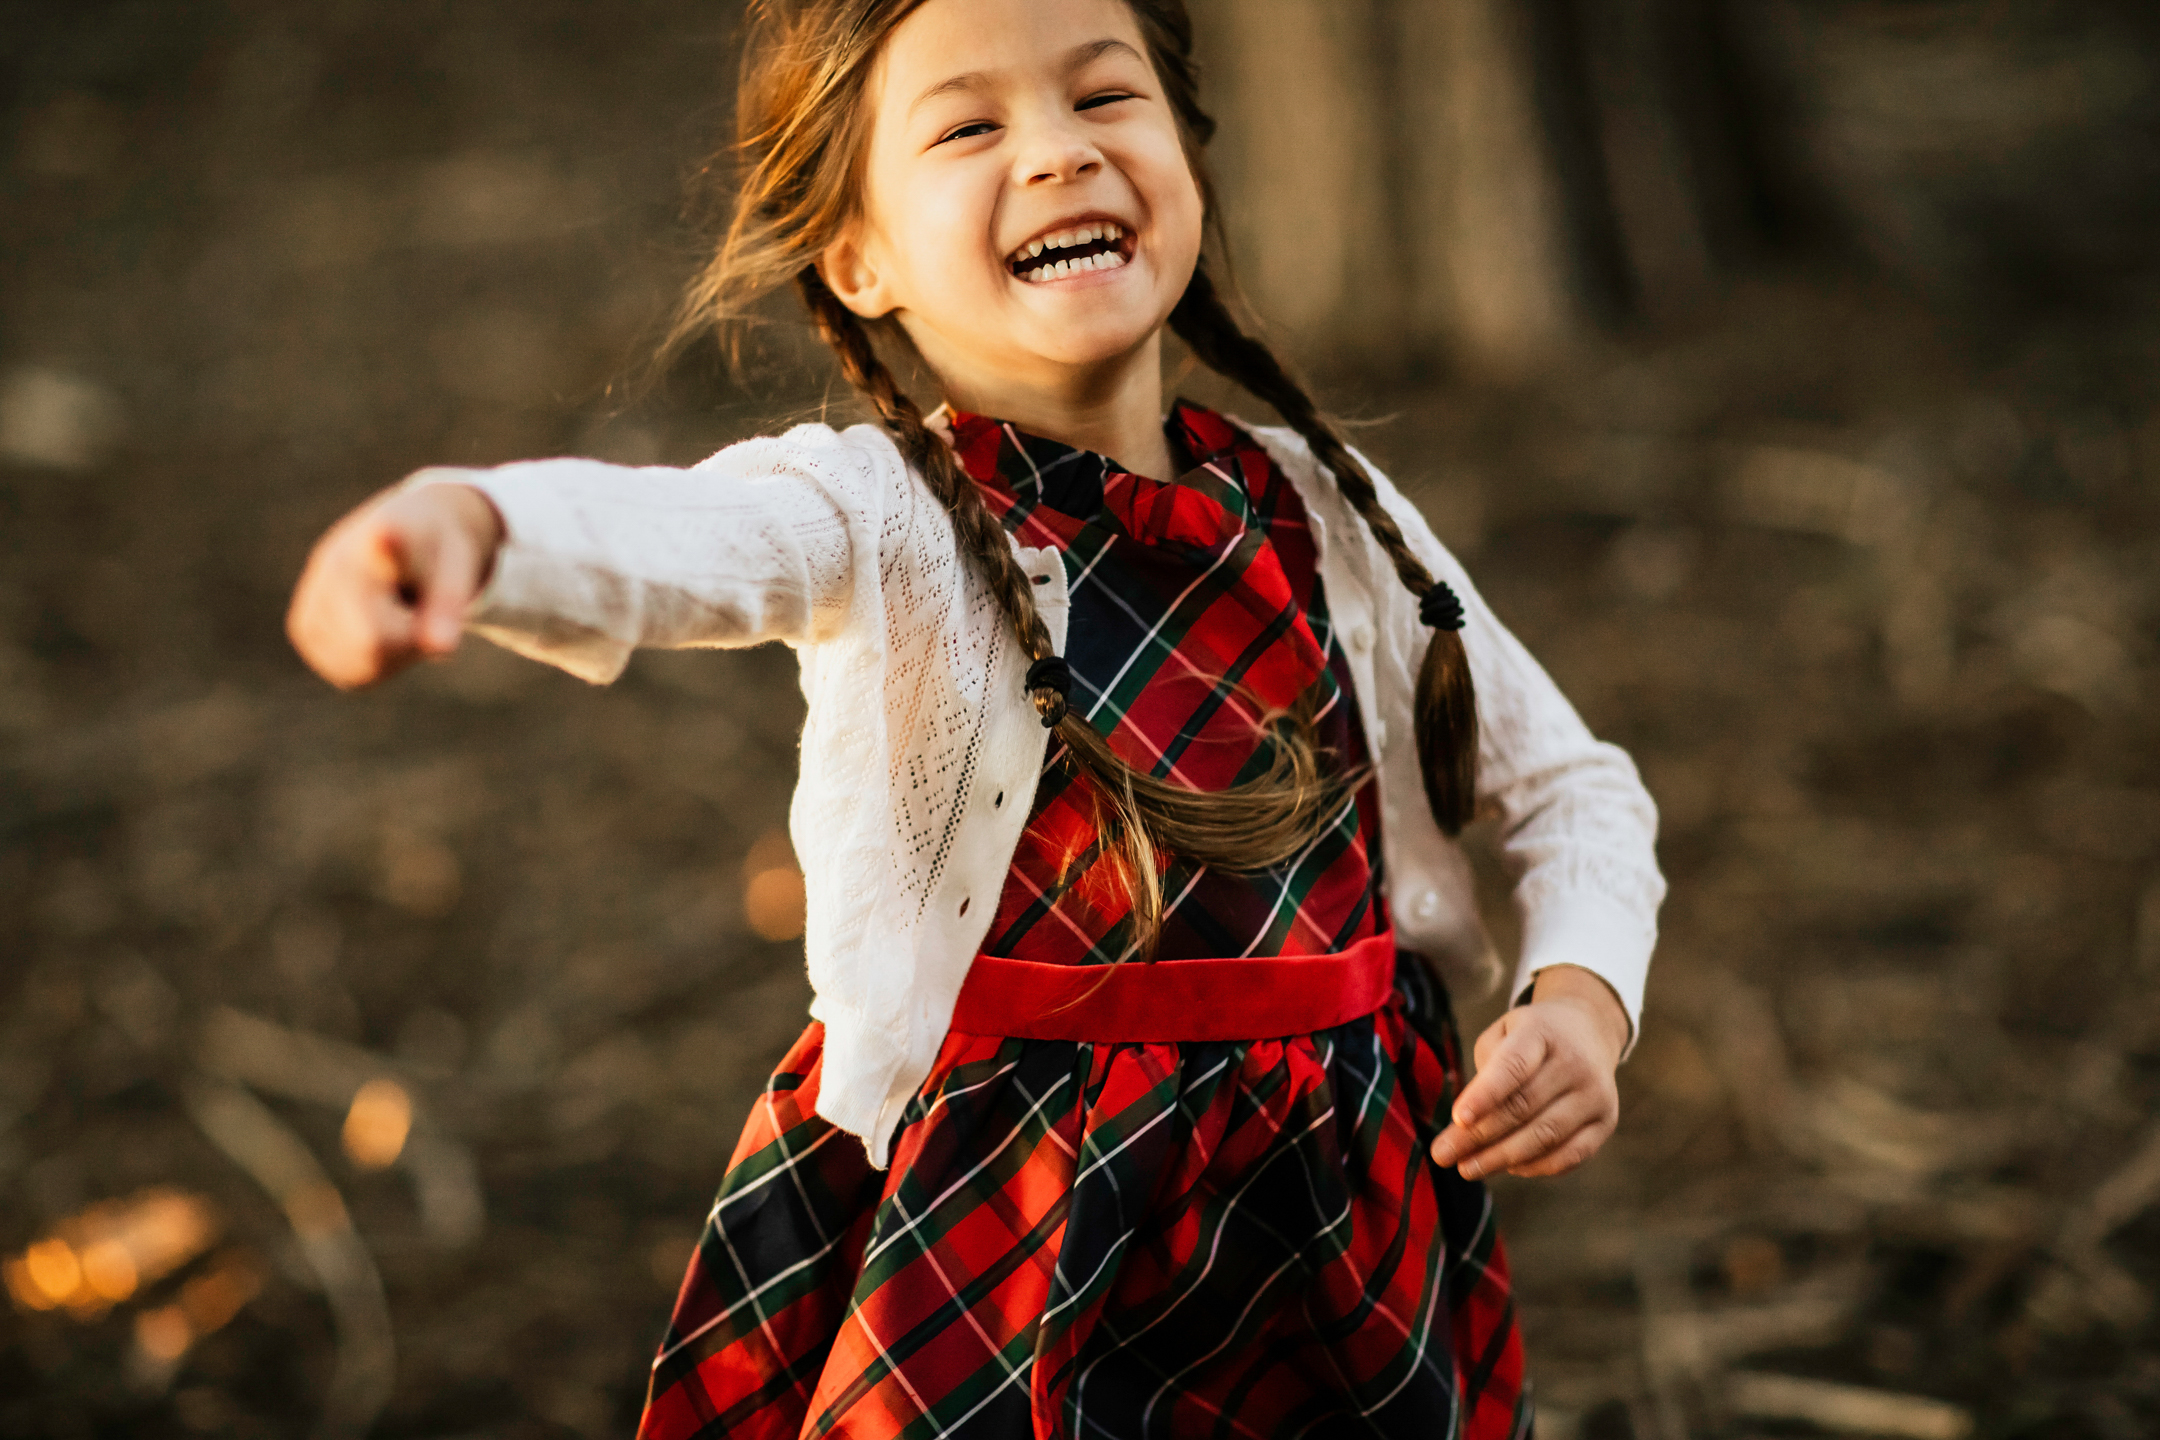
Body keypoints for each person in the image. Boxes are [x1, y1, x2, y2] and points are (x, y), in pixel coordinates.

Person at [285, 0, 1664, 1434]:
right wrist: (468, 524)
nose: (1061, 155)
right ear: (859, 254)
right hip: (1009, 1222)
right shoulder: (880, 519)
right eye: (969, 125)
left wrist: (1577, 1002)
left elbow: (1574, 792)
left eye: (1103, 99)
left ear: (1186, 156)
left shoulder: (1325, 513)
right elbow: (675, 535)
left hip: (1332, 1216)